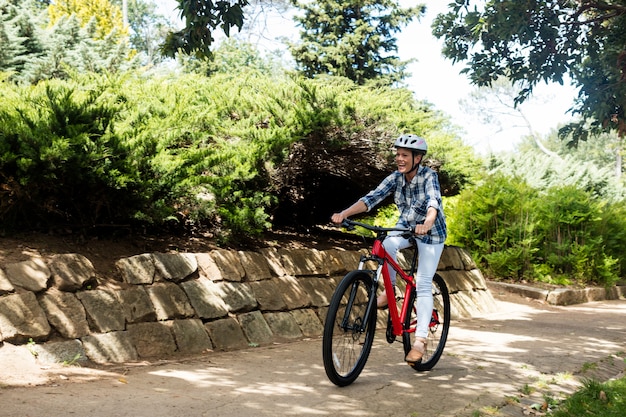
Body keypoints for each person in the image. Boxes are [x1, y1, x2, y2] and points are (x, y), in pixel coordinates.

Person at [331, 134, 447, 365]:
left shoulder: (428, 176)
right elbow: (371, 198)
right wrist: (345, 213)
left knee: (423, 283)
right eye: (397, 155)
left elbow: (434, 203)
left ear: (417, 158)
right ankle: (390, 290)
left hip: (431, 233)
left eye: (404, 155)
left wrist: (427, 223)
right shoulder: (395, 178)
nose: (399, 159)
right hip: (406, 227)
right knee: (386, 244)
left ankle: (420, 342)